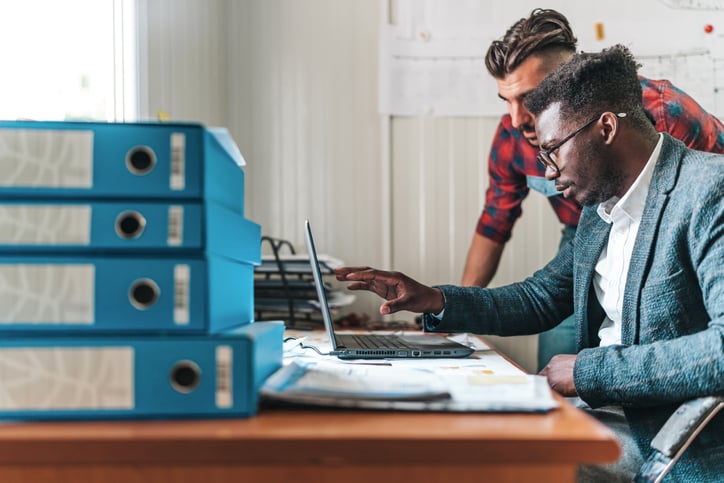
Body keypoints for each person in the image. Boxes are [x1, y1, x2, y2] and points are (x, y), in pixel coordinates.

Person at [336, 45, 724, 482]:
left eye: (554, 148)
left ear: (607, 128)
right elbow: (541, 297)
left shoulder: (710, 191)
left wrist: (587, 370)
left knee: (487, 466)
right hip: (600, 415)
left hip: (668, 437)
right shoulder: (600, 212)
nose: (549, 171)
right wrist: (433, 298)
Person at [462, 8, 724, 370]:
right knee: (558, 364)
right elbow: (495, 225)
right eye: (506, 101)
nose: (518, 118)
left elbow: (711, 194)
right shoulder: (514, 135)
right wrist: (450, 313)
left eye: (531, 97)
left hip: (675, 237)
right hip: (588, 231)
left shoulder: (665, 112)